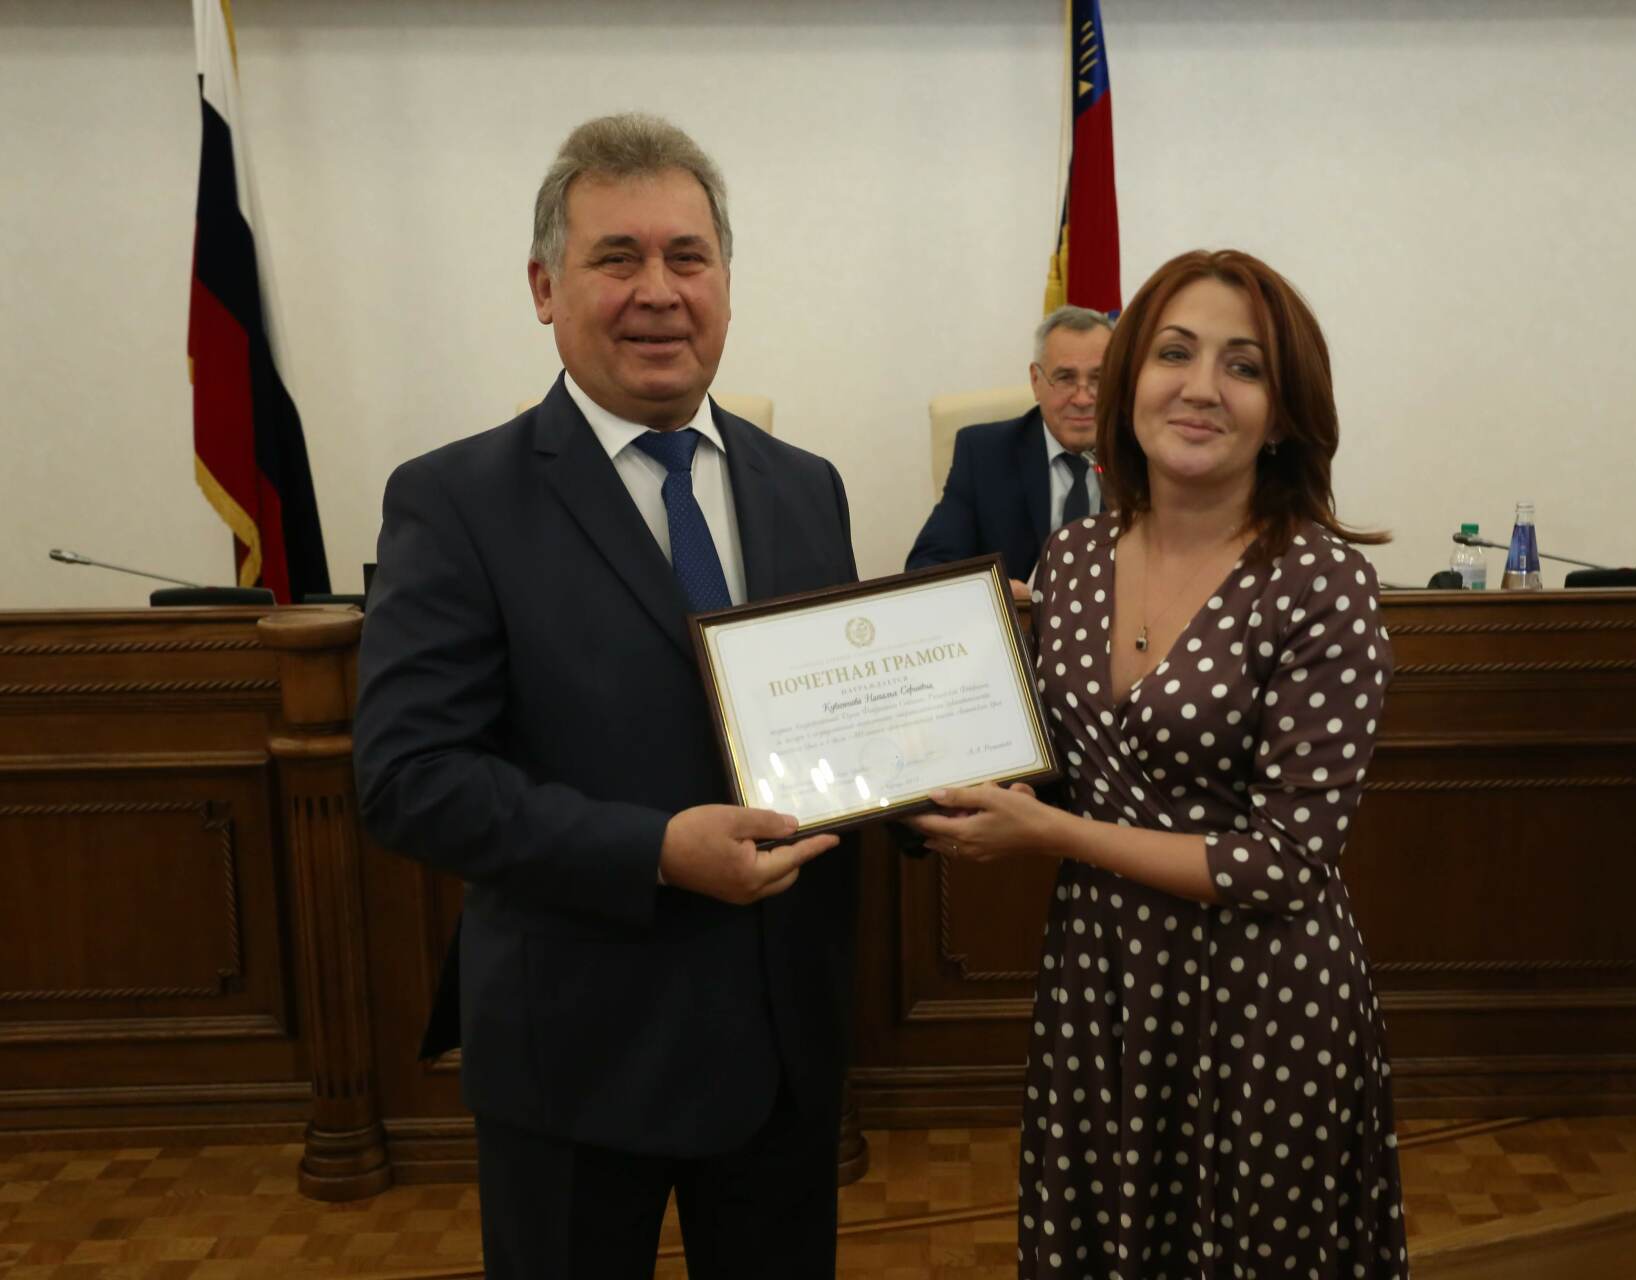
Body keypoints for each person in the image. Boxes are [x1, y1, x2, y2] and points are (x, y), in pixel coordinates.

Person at [353, 113, 859, 1279]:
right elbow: (408, 779)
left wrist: (939, 780)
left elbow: (832, 725)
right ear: (545, 287)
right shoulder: (455, 499)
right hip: (575, 1055)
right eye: (616, 257)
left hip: (784, 1045)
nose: (659, 292)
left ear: (725, 280)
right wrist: (655, 852)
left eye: (689, 256)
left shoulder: (807, 487)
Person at [912, 249, 1407, 1278]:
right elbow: (1056, 753)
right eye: (1174, 353)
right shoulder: (1072, 560)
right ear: (1129, 379)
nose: (1200, 386)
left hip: (1261, 1001)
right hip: (1100, 985)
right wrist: (936, 717)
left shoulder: (1323, 583)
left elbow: (1283, 862)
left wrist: (1049, 833)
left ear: (1284, 412)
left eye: (1244, 365)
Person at [905, 306, 1112, 597]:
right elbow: (926, 568)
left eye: (1098, 379)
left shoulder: (1146, 459)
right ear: (1036, 381)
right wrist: (994, 593)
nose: (1082, 398)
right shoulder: (984, 455)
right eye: (1065, 377)